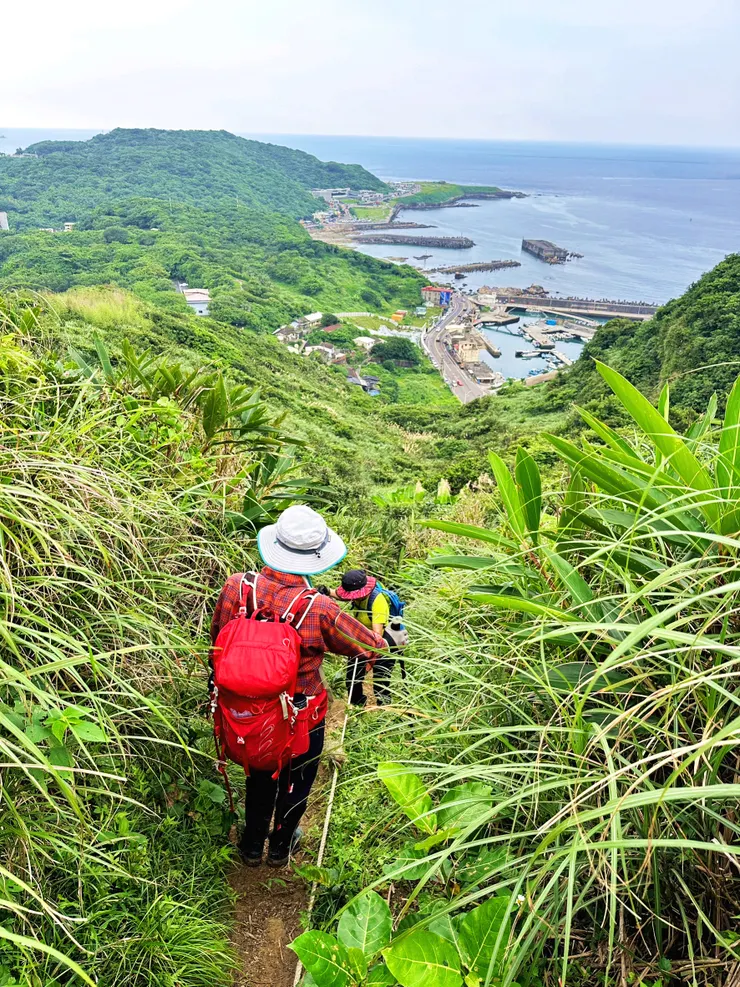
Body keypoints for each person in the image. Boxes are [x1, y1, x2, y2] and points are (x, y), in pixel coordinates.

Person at [210, 505, 407, 868]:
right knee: (297, 781)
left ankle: (252, 846)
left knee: (259, 774)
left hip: (248, 709)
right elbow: (366, 646)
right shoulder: (319, 608)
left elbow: (216, 645)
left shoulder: (237, 586)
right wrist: (388, 642)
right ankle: (281, 846)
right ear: (316, 557)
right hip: (301, 710)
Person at [333, 569, 396, 707]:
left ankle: (384, 710)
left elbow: (377, 637)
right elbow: (339, 595)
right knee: (352, 677)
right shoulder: (356, 596)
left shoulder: (377, 601)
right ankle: (357, 707)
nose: (352, 598)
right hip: (362, 638)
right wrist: (326, 591)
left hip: (383, 642)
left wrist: (369, 661)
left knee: (381, 679)